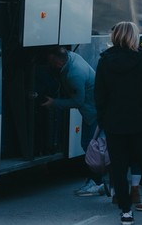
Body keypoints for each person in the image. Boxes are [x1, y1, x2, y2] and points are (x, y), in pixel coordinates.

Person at [94, 22, 142, 225]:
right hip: (140, 121)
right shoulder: (140, 60)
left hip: (114, 122)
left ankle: (126, 211)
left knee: (118, 167)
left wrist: (104, 119)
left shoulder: (104, 61)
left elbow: (99, 94)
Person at [42, 47, 102, 197]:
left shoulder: (74, 74)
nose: (50, 65)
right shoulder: (71, 57)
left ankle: (96, 182)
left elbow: (77, 101)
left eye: (51, 62)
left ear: (59, 62)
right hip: (93, 111)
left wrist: (54, 103)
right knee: (89, 146)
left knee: (91, 147)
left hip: (93, 113)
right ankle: (94, 180)